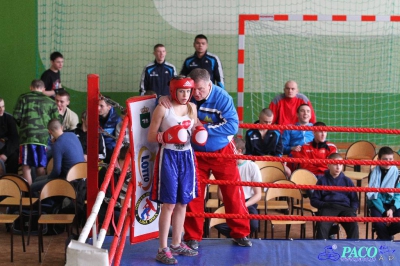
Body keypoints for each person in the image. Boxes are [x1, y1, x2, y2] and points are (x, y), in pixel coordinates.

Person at [159, 69, 251, 250]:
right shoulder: (188, 95)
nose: (196, 93)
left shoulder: (222, 97)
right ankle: (193, 237)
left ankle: (240, 233)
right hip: (194, 153)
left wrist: (205, 129)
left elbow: (233, 125)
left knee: (232, 193)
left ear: (210, 85)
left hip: (222, 151)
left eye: (200, 89)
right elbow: (171, 101)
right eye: (194, 89)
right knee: (193, 195)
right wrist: (163, 98)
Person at [149, 76, 204, 264]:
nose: (185, 95)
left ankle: (176, 243)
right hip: (169, 156)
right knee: (169, 204)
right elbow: (150, 135)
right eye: (181, 91)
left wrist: (199, 130)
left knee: (183, 202)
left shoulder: (192, 108)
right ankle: (162, 248)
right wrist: (168, 136)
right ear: (173, 91)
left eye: (188, 91)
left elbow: (195, 127)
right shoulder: (163, 107)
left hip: (187, 157)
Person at [13, 79, 59, 184]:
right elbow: (57, 120)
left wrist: (24, 126)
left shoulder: (23, 98)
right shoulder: (51, 102)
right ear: (43, 89)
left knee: (26, 166)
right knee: (41, 166)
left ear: (31, 87)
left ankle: (29, 195)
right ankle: (41, 193)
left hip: (27, 137)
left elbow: (16, 116)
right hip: (43, 138)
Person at [214, 137, 261, 238]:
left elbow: (258, 194)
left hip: (247, 202)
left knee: (253, 224)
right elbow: (220, 193)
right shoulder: (225, 166)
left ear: (239, 151)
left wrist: (243, 205)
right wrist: (233, 203)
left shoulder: (252, 166)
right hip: (229, 200)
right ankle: (237, 235)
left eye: (229, 149)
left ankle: (239, 236)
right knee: (215, 221)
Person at [310, 153, 359, 239]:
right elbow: (314, 200)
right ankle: (321, 249)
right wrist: (325, 205)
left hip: (345, 208)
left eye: (340, 164)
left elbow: (354, 199)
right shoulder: (322, 181)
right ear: (328, 165)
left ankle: (351, 249)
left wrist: (353, 210)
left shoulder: (347, 181)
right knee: (322, 225)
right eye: (335, 164)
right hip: (329, 207)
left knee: (354, 225)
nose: (338, 167)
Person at [31, 119, 85, 195]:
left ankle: (45, 204)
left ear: (49, 132)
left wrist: (49, 178)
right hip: (80, 177)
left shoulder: (58, 145)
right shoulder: (72, 135)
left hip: (67, 180)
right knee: (37, 179)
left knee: (33, 186)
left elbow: (57, 171)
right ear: (62, 127)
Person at [367, 146, 400, 240]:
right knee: (378, 222)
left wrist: (392, 210)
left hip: (393, 204)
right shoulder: (373, 173)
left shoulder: (398, 174)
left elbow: (398, 195)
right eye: (385, 159)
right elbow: (373, 196)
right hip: (377, 204)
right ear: (378, 160)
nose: (388, 162)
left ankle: (383, 237)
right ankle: (388, 240)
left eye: (390, 159)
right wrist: (385, 212)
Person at [99, 97, 122, 163]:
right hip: (98, 149)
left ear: (109, 107)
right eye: (97, 105)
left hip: (111, 151)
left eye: (101, 106)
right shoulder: (94, 118)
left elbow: (119, 140)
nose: (98, 108)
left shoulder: (117, 120)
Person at [0, 98, 19, 174]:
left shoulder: (9, 118)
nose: (1, 109)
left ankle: (11, 180)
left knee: (14, 156)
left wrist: (5, 154)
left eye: (3, 106)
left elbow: (14, 139)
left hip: (8, 148)